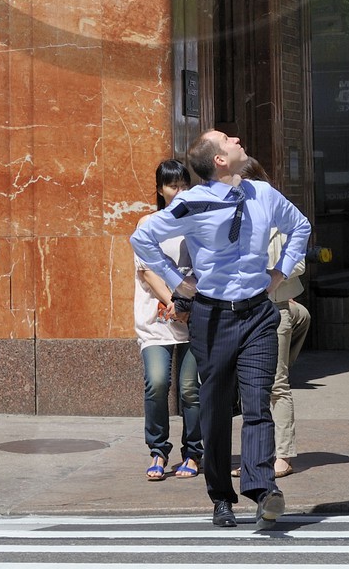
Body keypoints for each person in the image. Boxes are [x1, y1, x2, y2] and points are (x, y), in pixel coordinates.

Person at [131, 130, 310, 531]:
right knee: (214, 409)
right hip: (212, 318)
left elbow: (300, 226)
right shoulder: (193, 202)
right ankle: (221, 498)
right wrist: (177, 282)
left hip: (258, 314)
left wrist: (280, 273)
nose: (237, 138)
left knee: (257, 402)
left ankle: (263, 490)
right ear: (219, 160)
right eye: (228, 139)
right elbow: (142, 238)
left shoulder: (263, 194)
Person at [133, 158, 202, 481]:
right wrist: (174, 301)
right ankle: (158, 450)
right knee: (157, 383)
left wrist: (187, 303)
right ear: (160, 190)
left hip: (193, 318)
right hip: (156, 318)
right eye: (173, 186)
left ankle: (193, 452)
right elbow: (147, 272)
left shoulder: (197, 224)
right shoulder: (148, 223)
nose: (180, 192)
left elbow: (206, 267)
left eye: (184, 185)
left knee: (190, 389)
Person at [240, 158, 309, 478]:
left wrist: (270, 274)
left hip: (274, 307)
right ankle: (256, 454)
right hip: (241, 311)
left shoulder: (278, 218)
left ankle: (283, 454)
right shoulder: (232, 218)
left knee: (276, 384)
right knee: (249, 386)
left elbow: (298, 262)